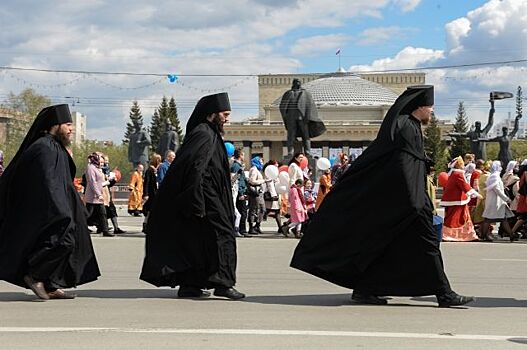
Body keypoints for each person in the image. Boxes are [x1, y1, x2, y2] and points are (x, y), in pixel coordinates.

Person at [291, 85, 475, 307]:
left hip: (405, 204)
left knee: (389, 249)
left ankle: (366, 289)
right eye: (430, 106)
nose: (432, 111)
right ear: (420, 106)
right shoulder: (407, 127)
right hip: (409, 205)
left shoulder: (409, 125)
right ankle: (444, 294)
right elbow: (405, 166)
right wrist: (417, 203)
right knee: (427, 247)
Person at [140, 92, 245, 300]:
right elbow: (194, 168)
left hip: (206, 197)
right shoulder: (204, 133)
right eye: (224, 114)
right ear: (212, 113)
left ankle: (191, 284)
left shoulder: (208, 132)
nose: (227, 118)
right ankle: (223, 283)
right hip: (207, 197)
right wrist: (196, 200)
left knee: (197, 240)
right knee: (222, 236)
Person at [0, 104, 100, 300]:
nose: (71, 129)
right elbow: (48, 183)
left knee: (69, 241)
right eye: (68, 124)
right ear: (56, 124)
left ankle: (50, 284)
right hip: (51, 211)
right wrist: (61, 210)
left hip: (58, 208)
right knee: (64, 241)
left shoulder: (53, 146)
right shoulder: (44, 148)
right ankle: (35, 276)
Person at [279, 79, 326, 156]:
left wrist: (307, 117)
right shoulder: (288, 93)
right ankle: (290, 152)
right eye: (296, 82)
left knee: (305, 136)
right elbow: (282, 106)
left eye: (299, 82)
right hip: (291, 118)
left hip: (302, 118)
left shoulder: (305, 93)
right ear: (293, 84)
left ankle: (307, 152)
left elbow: (309, 106)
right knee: (290, 135)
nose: (297, 84)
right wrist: (286, 117)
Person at [440, 157, 481, 242]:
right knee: (456, 218)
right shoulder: (458, 174)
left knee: (456, 217)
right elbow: (464, 185)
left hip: (454, 199)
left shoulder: (452, 173)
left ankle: (466, 235)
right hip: (457, 200)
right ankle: (450, 235)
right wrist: (476, 194)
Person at [481, 161, 517, 241]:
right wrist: (507, 199)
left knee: (500, 219)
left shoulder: (494, 176)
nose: (501, 168)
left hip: (495, 202)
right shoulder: (495, 177)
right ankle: (483, 235)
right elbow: (497, 190)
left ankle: (511, 235)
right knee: (490, 219)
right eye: (500, 166)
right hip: (495, 202)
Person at [85, 152, 113, 237]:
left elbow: (99, 181)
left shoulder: (97, 168)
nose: (102, 163)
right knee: (88, 214)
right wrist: (98, 194)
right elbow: (92, 182)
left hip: (98, 196)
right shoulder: (90, 168)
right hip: (92, 196)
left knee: (103, 213)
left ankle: (105, 230)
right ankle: (78, 227)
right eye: (100, 161)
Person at [101, 154, 125, 234]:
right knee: (101, 212)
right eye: (105, 161)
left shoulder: (106, 170)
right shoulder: (99, 170)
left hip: (107, 193)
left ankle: (116, 227)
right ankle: (103, 227)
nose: (106, 163)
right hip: (101, 193)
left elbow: (109, 184)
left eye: (107, 161)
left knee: (112, 211)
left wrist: (113, 180)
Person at [231, 148, 249, 237]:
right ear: (240, 155)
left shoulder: (238, 166)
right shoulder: (236, 166)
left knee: (241, 212)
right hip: (237, 191)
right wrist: (241, 193)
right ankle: (240, 229)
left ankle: (240, 229)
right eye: (243, 154)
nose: (244, 156)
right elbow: (235, 180)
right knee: (241, 212)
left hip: (240, 190)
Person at [142, 153, 161, 233]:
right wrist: (146, 194)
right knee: (149, 210)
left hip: (156, 193)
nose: (160, 161)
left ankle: (150, 225)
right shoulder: (149, 171)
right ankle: (145, 225)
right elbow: (146, 183)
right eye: (158, 160)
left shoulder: (157, 170)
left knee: (153, 210)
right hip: (150, 194)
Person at [247, 156, 266, 235]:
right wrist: (262, 181)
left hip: (260, 192)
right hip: (255, 192)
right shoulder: (254, 169)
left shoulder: (258, 169)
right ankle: (251, 227)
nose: (262, 163)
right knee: (254, 209)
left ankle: (257, 225)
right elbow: (252, 181)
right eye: (261, 161)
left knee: (262, 209)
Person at [263, 160, 282, 234]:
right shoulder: (269, 173)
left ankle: (280, 228)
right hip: (271, 196)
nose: (277, 165)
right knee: (267, 211)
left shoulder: (276, 173)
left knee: (276, 211)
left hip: (275, 195)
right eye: (276, 163)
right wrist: (273, 195)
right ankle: (256, 225)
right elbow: (270, 185)